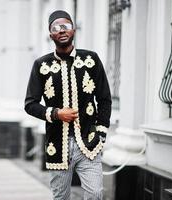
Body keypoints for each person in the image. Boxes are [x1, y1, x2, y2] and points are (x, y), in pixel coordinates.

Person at [24, 10, 112, 200]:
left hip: (89, 143)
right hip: (57, 144)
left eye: (66, 26)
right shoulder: (41, 65)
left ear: (73, 30)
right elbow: (30, 104)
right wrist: (56, 113)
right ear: (51, 35)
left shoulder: (91, 60)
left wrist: (101, 133)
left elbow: (104, 98)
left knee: (95, 194)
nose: (62, 31)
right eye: (56, 28)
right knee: (61, 196)